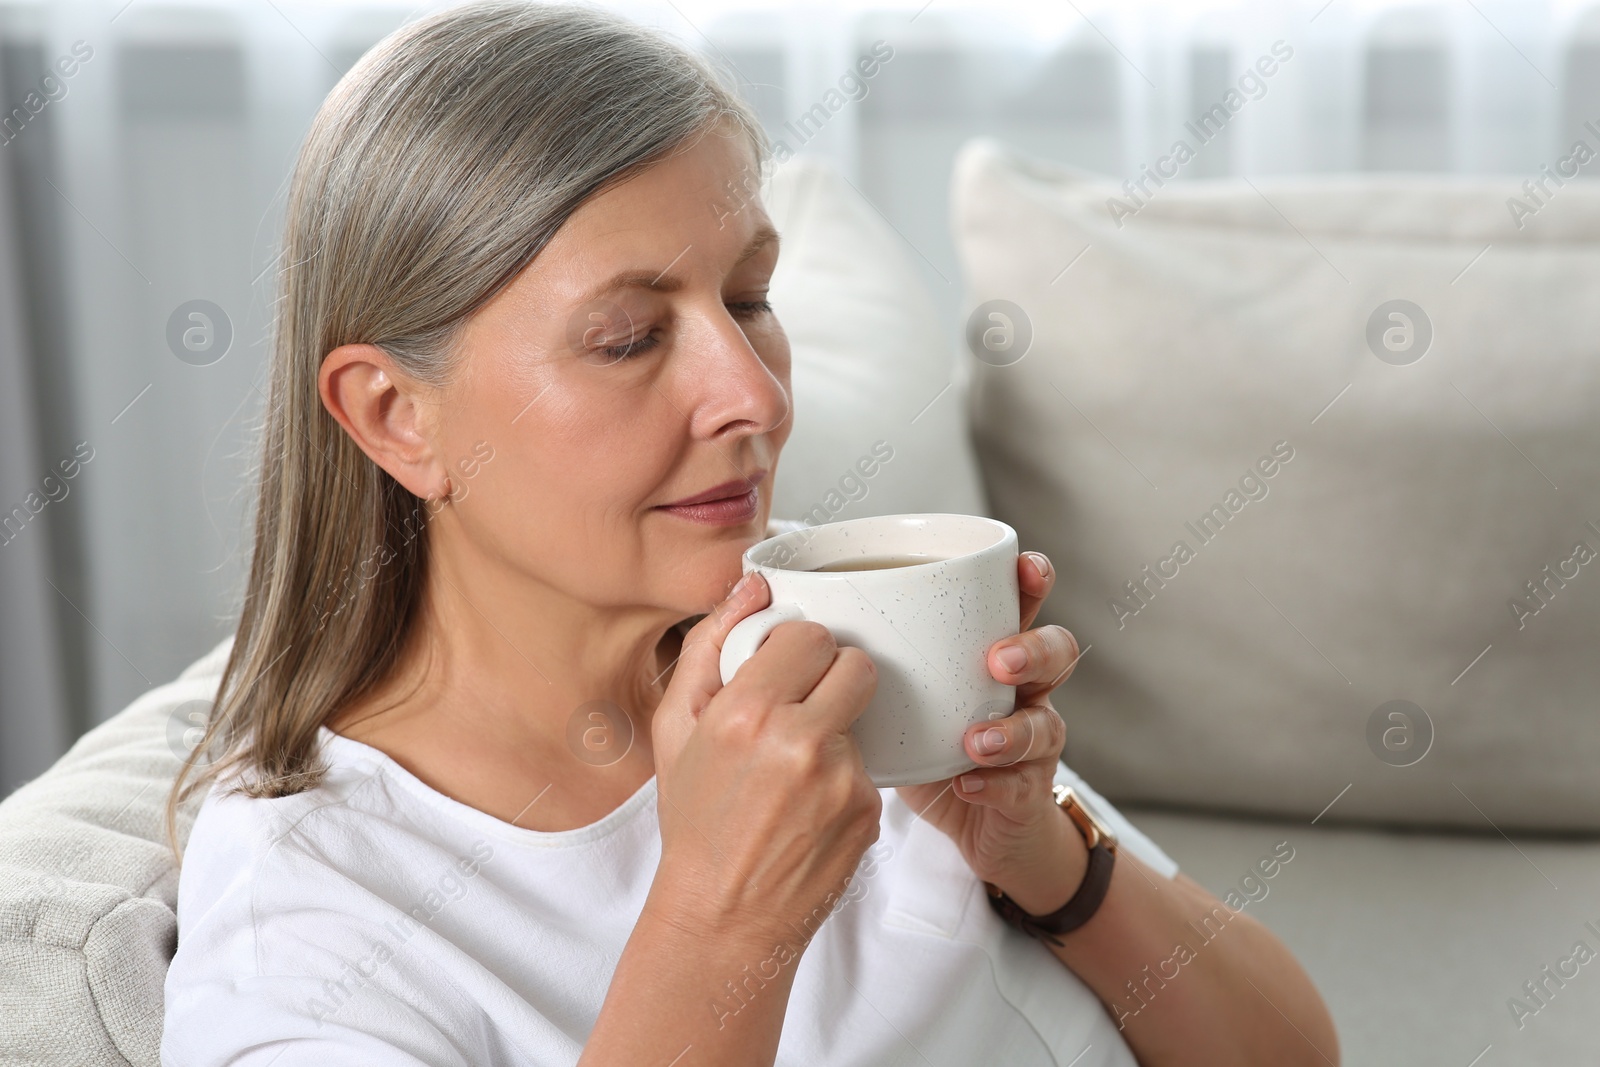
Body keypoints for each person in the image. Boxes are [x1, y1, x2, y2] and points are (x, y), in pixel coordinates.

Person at [160, 3, 1337, 1064]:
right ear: (395, 416)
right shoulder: (309, 920)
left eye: (750, 299)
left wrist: (1040, 854)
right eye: (626, 337)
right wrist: (723, 917)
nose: (757, 397)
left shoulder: (830, 617)